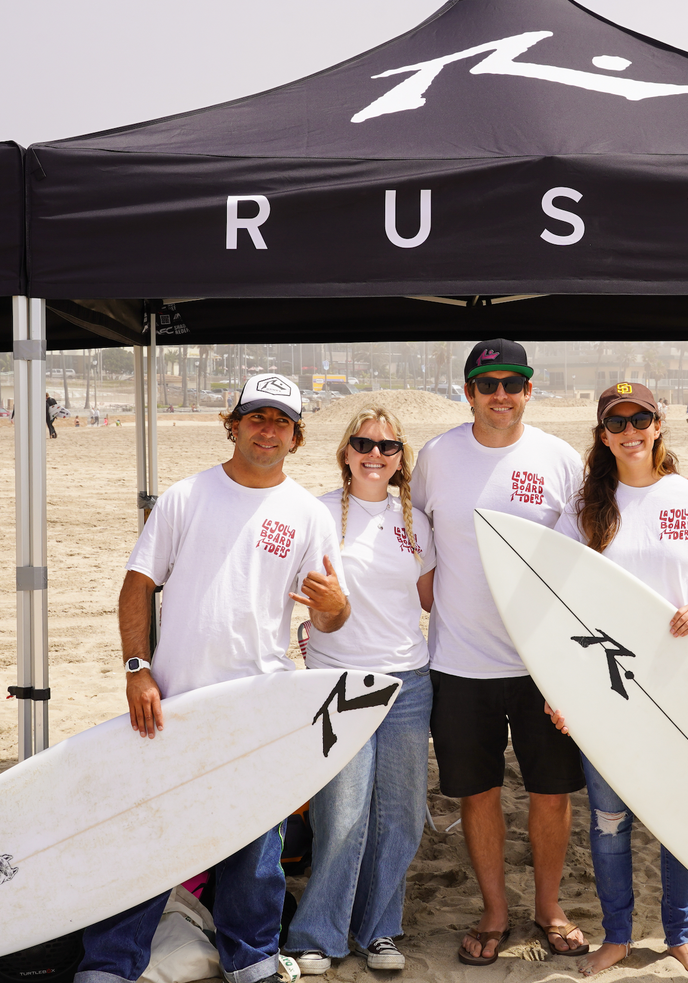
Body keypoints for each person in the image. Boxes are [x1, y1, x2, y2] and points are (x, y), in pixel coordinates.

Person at [76, 373, 350, 983]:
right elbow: (137, 584)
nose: (268, 430)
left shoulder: (307, 514)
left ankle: (249, 958)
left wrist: (331, 603)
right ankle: (110, 964)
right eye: (257, 417)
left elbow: (331, 617)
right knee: (150, 837)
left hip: (258, 706)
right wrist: (137, 670)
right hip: (173, 703)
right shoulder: (186, 496)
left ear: (296, 436)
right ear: (234, 424)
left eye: (281, 421)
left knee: (256, 847)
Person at [547, 382, 688, 978]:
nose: (630, 429)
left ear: (659, 426)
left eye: (641, 418)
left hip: (679, 683)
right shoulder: (583, 509)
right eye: (617, 421)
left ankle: (679, 934)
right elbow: (554, 603)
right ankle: (619, 935)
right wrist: (559, 689)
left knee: (681, 816)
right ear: (603, 435)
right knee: (609, 821)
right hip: (605, 686)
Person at [411, 338, 588, 966]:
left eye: (514, 383)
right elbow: (416, 540)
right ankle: (493, 910)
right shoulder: (436, 456)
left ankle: (548, 907)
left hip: (542, 663)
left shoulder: (559, 459)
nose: (501, 396)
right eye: (488, 385)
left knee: (551, 791)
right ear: (469, 392)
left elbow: (582, 556)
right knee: (477, 791)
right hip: (459, 662)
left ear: (529, 390)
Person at [286, 407, 435, 976]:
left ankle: (379, 931)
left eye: (389, 445)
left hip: (409, 682)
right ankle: (317, 933)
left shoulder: (417, 522)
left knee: (400, 816)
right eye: (365, 443)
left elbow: (428, 598)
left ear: (401, 457)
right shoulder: (317, 513)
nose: (377, 454)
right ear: (346, 451)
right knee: (342, 812)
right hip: (339, 680)